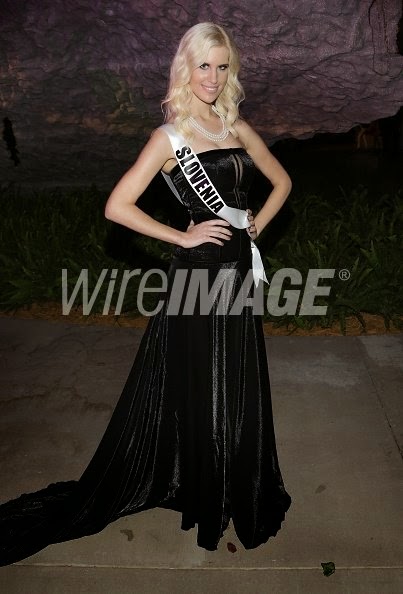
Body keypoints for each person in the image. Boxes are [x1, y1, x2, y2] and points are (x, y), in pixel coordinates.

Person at [0, 22, 292, 566]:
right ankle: (205, 490)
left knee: (235, 379)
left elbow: (282, 182)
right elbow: (117, 206)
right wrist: (182, 236)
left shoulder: (235, 125)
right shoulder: (169, 137)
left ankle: (234, 482)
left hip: (236, 275)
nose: (213, 77)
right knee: (203, 384)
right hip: (197, 277)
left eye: (222, 66)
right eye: (203, 65)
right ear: (186, 68)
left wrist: (256, 225)